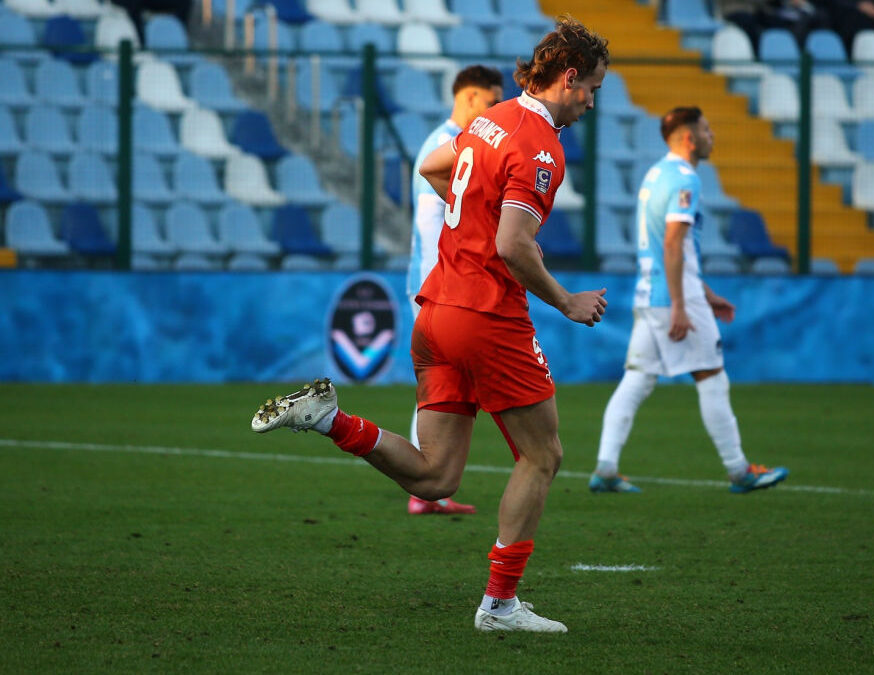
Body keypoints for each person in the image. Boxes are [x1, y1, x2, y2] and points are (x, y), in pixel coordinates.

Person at [251, 16, 610, 633]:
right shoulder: (541, 144)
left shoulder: (487, 118)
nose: (592, 102)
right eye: (592, 88)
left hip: (435, 310)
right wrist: (565, 300)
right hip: (486, 317)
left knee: (437, 475)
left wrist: (468, 215)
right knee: (542, 454)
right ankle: (499, 606)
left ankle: (331, 419)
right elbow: (515, 245)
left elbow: (434, 168)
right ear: (568, 77)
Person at [589, 106, 789, 495]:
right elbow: (673, 242)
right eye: (707, 128)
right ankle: (739, 471)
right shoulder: (686, 179)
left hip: (651, 292)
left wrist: (706, 294)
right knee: (712, 376)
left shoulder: (655, 174)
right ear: (689, 138)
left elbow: (679, 249)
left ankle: (606, 468)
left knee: (637, 379)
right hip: (671, 297)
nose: (712, 135)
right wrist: (682, 304)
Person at [404, 65, 504, 516]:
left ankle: (426, 487)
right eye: (490, 101)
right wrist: (437, 288)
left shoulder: (460, 143)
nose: (496, 110)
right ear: (467, 98)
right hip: (438, 285)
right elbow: (430, 223)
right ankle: (425, 485)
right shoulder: (443, 146)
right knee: (442, 387)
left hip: (443, 285)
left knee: (443, 386)